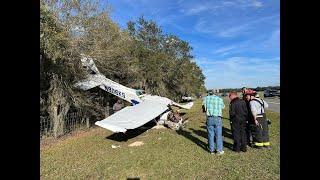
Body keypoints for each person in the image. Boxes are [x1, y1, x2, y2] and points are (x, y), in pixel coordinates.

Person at [202, 90, 225, 155]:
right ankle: (219, 150)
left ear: (210, 93)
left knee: (210, 134)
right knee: (218, 135)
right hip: (217, 118)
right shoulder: (219, 99)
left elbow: (203, 108)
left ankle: (211, 149)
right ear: (216, 93)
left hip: (209, 118)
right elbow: (223, 107)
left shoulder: (206, 98)